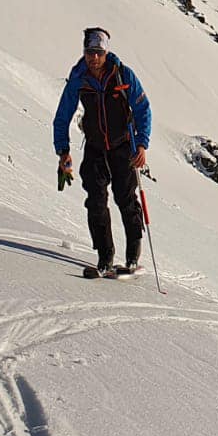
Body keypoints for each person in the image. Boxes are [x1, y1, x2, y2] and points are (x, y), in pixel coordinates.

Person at [53, 26, 151, 277]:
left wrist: (141, 144)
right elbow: (63, 115)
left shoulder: (123, 75)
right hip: (96, 148)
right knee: (96, 201)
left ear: (105, 52)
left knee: (125, 199)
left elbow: (142, 109)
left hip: (122, 147)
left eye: (98, 52)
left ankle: (132, 254)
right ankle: (105, 256)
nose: (93, 57)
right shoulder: (79, 78)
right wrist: (63, 151)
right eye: (89, 52)